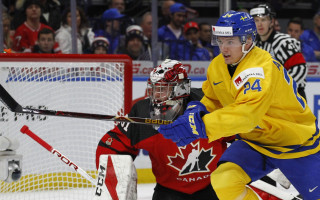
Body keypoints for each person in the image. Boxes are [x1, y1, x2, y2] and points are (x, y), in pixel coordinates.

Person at [158, 10, 320, 200]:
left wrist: (201, 125)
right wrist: (196, 111)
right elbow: (213, 99)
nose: (223, 48)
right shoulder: (217, 65)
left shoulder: (260, 68)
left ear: (248, 41)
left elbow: (247, 116)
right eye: (220, 40)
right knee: (221, 185)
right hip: (254, 142)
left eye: (230, 42)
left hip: (294, 142)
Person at [96, 59, 234, 200]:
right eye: (155, 88)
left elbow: (241, 136)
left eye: (162, 89)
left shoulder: (209, 104)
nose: (156, 95)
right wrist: (111, 178)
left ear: (181, 89)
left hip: (213, 187)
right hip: (168, 192)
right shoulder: (142, 112)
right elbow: (111, 145)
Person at [250, 3, 308, 100]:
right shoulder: (254, 45)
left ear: (271, 22)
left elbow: (300, 69)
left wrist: (280, 90)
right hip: (268, 99)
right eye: (256, 20)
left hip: (292, 98)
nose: (259, 24)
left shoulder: (285, 42)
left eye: (263, 20)